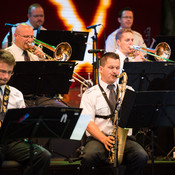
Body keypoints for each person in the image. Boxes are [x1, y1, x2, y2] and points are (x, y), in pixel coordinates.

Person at [79, 52, 148, 175]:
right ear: (101, 69)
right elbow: (86, 123)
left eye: (117, 68)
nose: (115, 72)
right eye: (111, 68)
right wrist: (104, 139)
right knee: (88, 156)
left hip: (124, 139)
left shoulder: (128, 91)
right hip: (98, 139)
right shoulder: (90, 94)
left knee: (141, 156)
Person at [0, 49, 51, 175]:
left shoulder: (16, 94)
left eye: (9, 72)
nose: (5, 76)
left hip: (12, 141)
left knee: (43, 155)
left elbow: (24, 119)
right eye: (2, 71)